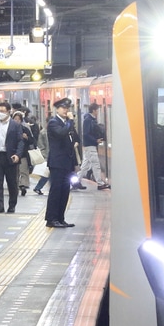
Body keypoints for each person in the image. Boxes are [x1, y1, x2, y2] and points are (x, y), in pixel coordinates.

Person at [44, 97, 78, 228]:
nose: (66, 110)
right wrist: (70, 121)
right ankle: (51, 219)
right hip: (57, 163)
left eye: (67, 108)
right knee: (56, 191)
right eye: (63, 108)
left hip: (67, 163)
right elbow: (61, 134)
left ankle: (60, 218)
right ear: (57, 109)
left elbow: (73, 139)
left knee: (65, 192)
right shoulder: (54, 123)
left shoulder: (67, 123)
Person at [0, 101, 24, 213]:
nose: (0, 113)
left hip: (10, 157)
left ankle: (12, 205)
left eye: (3, 111)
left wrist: (18, 155)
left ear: (9, 112)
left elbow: (20, 142)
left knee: (12, 183)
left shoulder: (15, 125)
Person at [79, 102, 110, 190]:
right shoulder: (88, 120)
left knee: (86, 165)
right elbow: (85, 134)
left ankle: (76, 180)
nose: (97, 112)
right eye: (97, 110)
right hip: (90, 145)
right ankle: (100, 183)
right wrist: (95, 140)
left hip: (91, 145)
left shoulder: (92, 120)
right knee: (95, 164)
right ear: (93, 110)